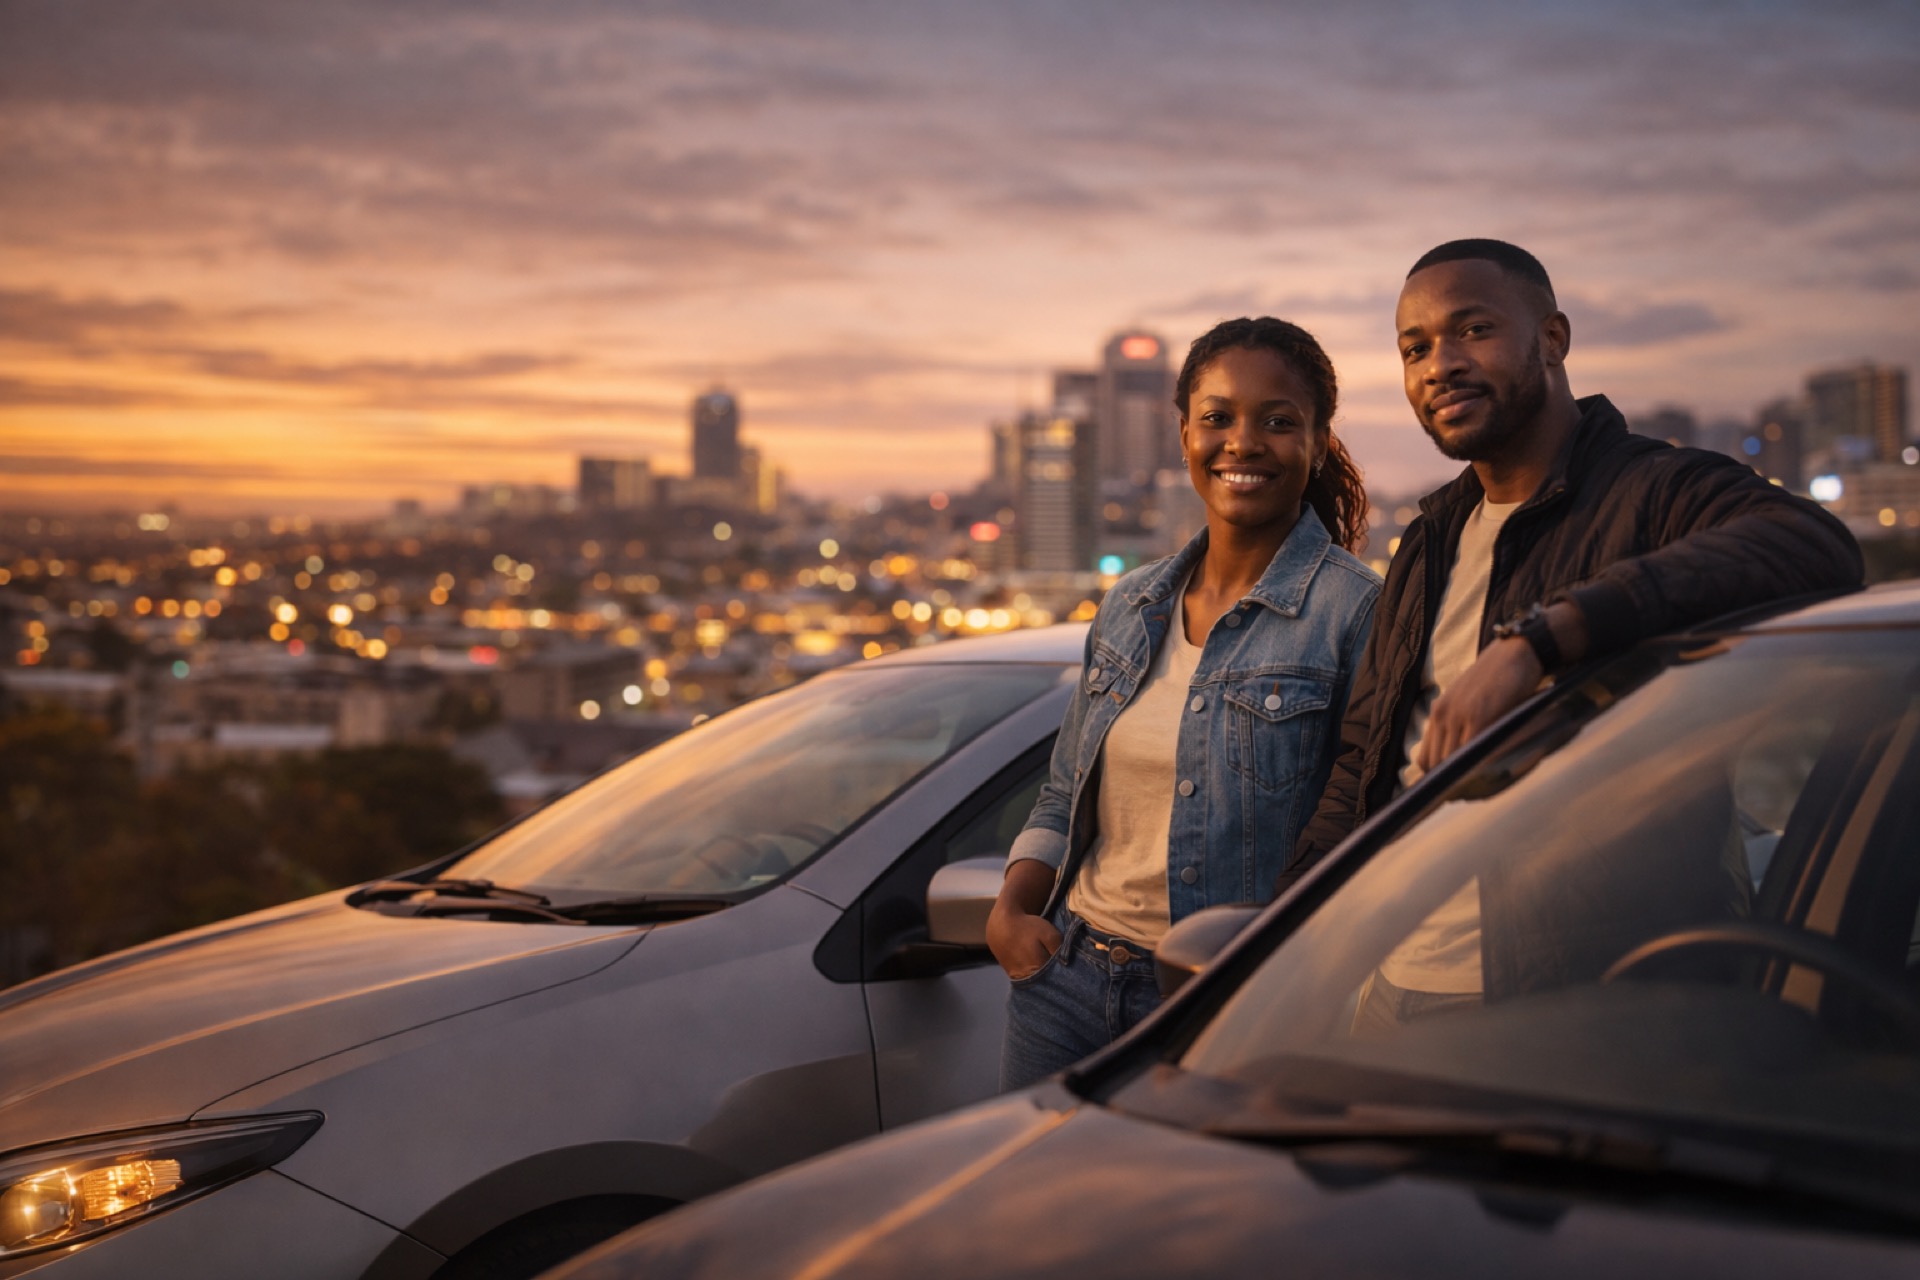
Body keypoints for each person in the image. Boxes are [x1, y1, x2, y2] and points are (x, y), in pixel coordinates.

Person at [1284, 239, 1864, 1024]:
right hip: (1393, 986)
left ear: (1552, 340)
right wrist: (1282, 956)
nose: (1439, 365)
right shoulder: (1429, 539)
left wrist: (1542, 640)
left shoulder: (1650, 489)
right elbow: (1362, 766)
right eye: (1414, 348)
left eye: (1473, 331)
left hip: (1584, 1000)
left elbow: (1815, 546)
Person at [990, 317, 1382, 1089]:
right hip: (1065, 985)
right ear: (1184, 436)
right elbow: (1064, 792)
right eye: (1218, 418)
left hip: (1232, 999)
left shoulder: (1355, 613)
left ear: (1319, 440)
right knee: (1043, 1207)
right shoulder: (1132, 604)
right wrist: (1009, 914)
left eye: (1278, 421)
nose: (1243, 442)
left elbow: (1370, 831)